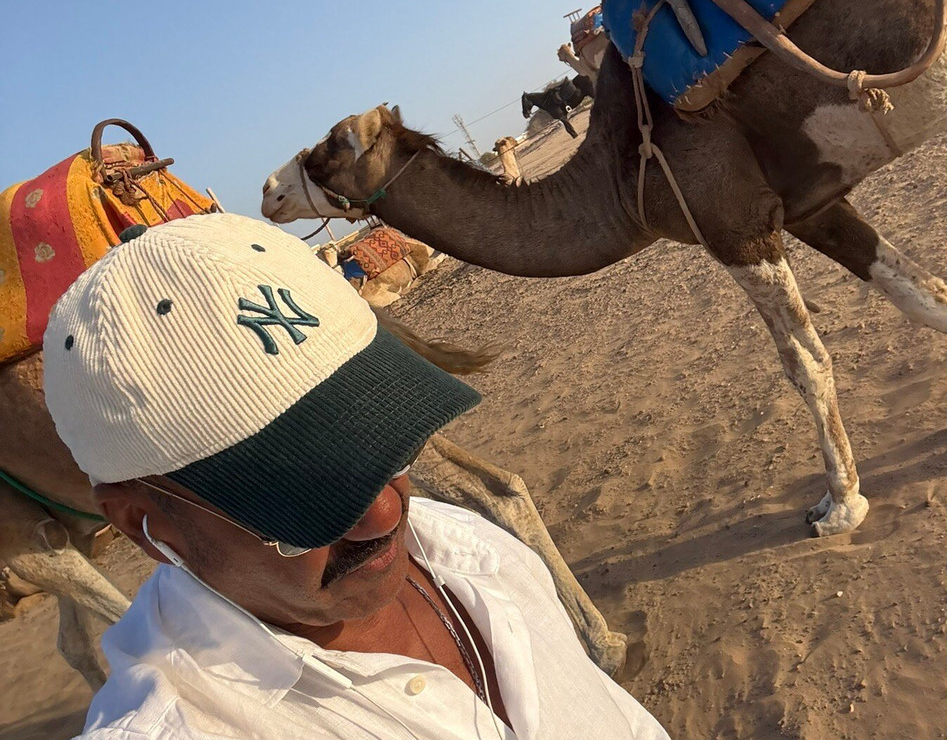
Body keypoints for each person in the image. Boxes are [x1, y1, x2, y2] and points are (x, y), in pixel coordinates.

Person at [43, 213, 670, 740]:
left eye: (385, 443)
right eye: (309, 498)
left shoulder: (472, 552)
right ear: (144, 525)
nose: (389, 514)